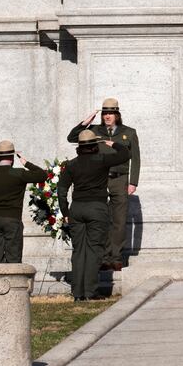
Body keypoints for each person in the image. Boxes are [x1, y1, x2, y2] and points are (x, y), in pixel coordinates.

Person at [67, 97, 141, 270]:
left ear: (117, 115)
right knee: (102, 219)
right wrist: (85, 122)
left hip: (120, 179)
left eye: (111, 113)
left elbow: (136, 159)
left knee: (119, 220)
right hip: (100, 179)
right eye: (105, 113)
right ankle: (104, 257)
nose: (107, 116)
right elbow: (72, 138)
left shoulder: (129, 132)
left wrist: (133, 182)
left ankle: (116, 257)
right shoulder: (94, 130)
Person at [59, 130, 131, 301]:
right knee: (94, 250)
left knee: (78, 251)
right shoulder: (102, 160)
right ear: (94, 145)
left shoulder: (71, 165)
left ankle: (78, 293)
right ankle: (90, 292)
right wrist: (113, 143)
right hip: (97, 208)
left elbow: (61, 190)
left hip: (77, 209)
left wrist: (65, 212)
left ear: (79, 147)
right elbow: (125, 154)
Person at [0, 140, 48, 263]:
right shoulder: (19, 173)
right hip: (13, 220)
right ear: (12, 157)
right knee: (14, 260)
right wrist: (27, 164)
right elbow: (42, 175)